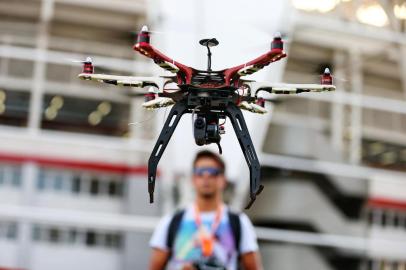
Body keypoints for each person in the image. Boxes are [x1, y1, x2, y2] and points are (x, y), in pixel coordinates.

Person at [149, 150, 263, 270]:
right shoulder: (171, 221)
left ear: (223, 179)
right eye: (200, 172)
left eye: (214, 172)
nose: (206, 176)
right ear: (193, 179)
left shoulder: (239, 222)